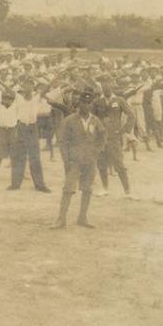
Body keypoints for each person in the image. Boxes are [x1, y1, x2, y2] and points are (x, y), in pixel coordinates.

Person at [51, 88, 107, 229]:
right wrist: (67, 158)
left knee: (87, 189)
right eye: (83, 102)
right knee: (68, 189)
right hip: (74, 161)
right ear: (79, 103)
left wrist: (97, 150)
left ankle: (82, 217)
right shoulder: (69, 120)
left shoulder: (95, 120)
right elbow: (62, 141)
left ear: (91, 104)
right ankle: (61, 219)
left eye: (89, 103)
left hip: (90, 160)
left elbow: (102, 136)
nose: (86, 105)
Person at [92, 76, 137, 199]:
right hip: (100, 137)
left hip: (114, 136)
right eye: (103, 83)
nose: (105, 86)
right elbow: (91, 117)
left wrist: (124, 130)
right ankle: (105, 188)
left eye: (108, 83)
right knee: (101, 163)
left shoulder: (119, 100)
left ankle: (127, 191)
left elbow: (131, 115)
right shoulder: (97, 102)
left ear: (112, 84)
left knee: (119, 164)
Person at [9, 78, 51, 193]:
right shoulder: (18, 97)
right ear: (23, 86)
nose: (28, 87)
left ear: (33, 87)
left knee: (35, 157)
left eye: (30, 85)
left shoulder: (37, 97)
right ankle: (15, 184)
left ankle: (40, 185)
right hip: (21, 128)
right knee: (19, 157)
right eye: (26, 85)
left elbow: (48, 86)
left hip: (32, 129)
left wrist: (61, 74)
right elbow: (6, 87)